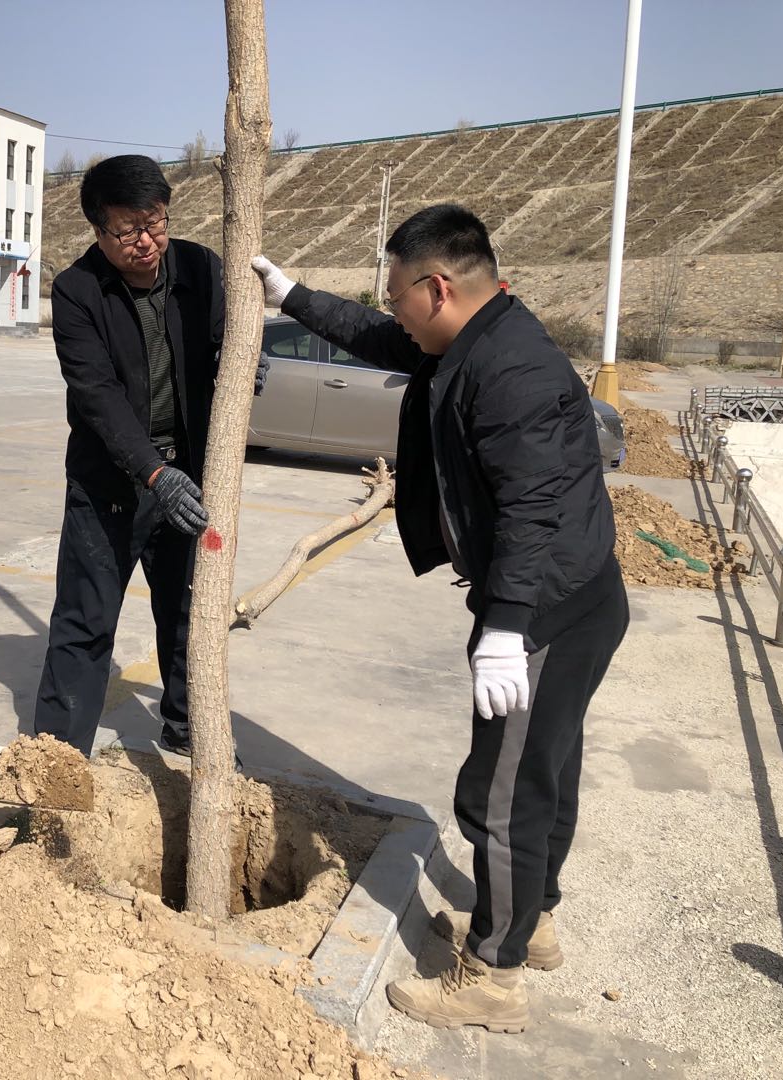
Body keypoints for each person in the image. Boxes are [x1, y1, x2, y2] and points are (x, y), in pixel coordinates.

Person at [253, 203, 628, 1032]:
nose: (393, 313)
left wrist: (507, 627)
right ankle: (533, 925)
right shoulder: (474, 337)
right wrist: (294, 296)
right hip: (578, 599)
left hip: (546, 613)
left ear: (437, 287)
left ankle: (493, 977)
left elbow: (532, 509)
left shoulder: (512, 372)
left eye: (397, 297)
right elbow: (380, 338)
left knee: (497, 794)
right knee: (545, 772)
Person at [33, 154, 265, 759]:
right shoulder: (78, 290)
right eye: (128, 230)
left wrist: (246, 358)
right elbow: (97, 396)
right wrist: (154, 473)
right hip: (109, 484)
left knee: (189, 612)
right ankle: (57, 757)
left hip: (188, 473)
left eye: (155, 222)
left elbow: (224, 339)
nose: (146, 241)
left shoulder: (200, 267)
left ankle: (190, 730)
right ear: (97, 228)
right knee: (85, 622)